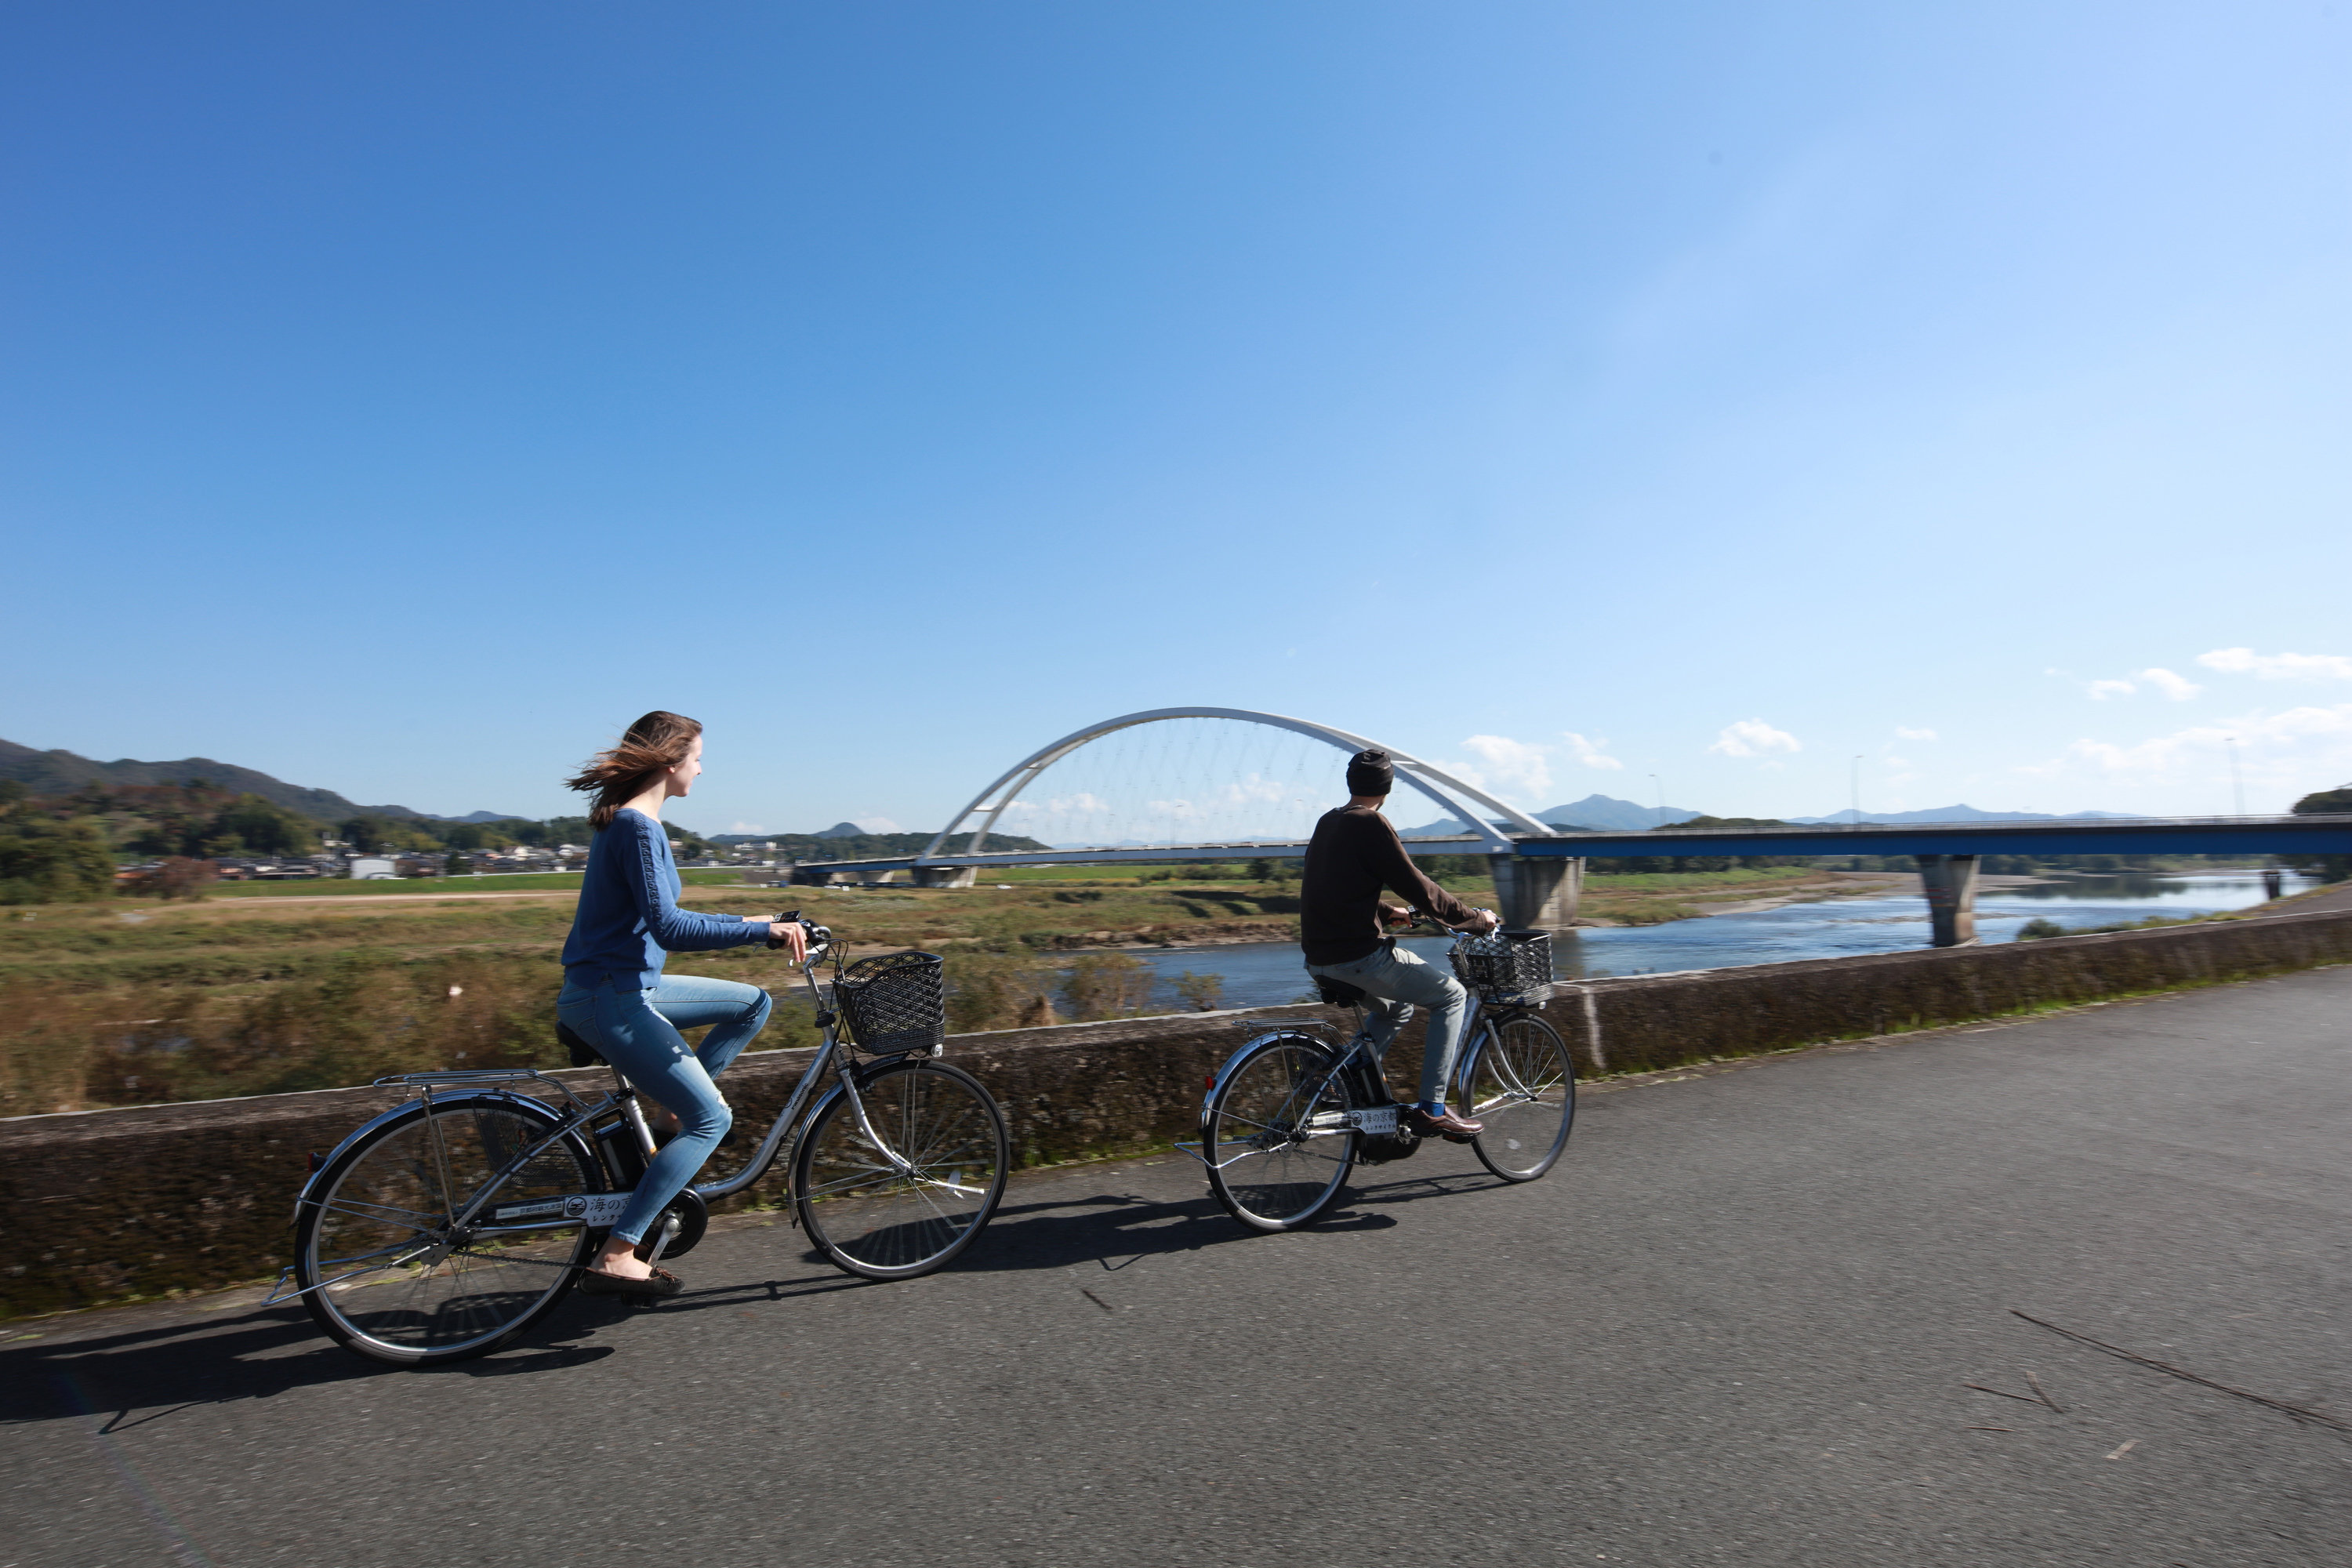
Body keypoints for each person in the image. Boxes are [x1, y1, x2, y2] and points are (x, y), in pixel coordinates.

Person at [555, 710, 808, 1298]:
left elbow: (665, 923)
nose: (701, 767)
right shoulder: (639, 828)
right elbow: (669, 928)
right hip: (612, 998)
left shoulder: (627, 823)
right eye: (696, 756)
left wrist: (756, 920)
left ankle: (669, 1115)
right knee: (712, 1119)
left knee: (752, 1002)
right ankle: (619, 1252)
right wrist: (759, 933)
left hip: (625, 987)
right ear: (671, 762)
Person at [1300, 748, 1499, 1139]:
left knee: (1397, 1009)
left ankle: (1342, 1081)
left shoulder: (1329, 822)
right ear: (1387, 787)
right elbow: (1420, 888)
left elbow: (1335, 886)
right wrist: (1476, 919)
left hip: (1318, 958)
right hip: (1359, 958)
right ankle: (1433, 1108)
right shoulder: (1372, 824)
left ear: (1350, 782)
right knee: (1452, 997)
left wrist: (1389, 911)